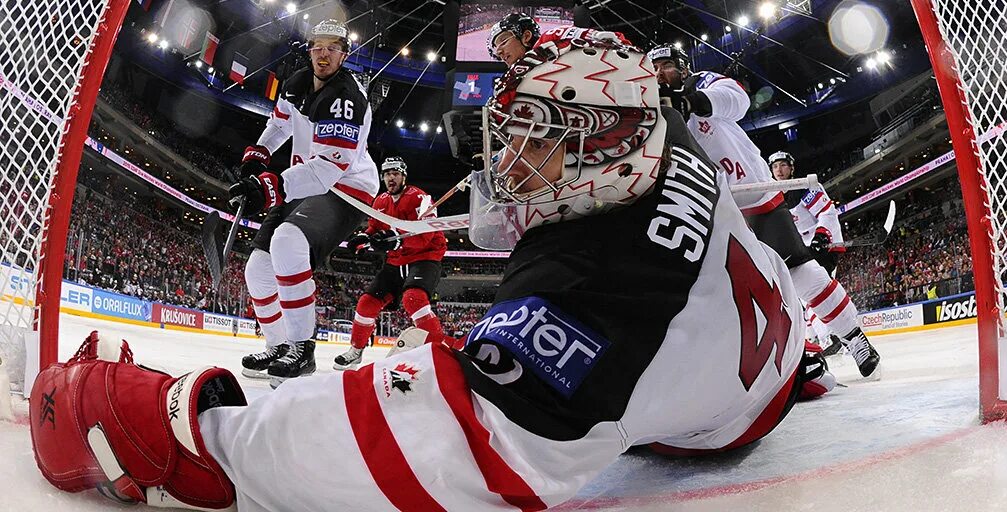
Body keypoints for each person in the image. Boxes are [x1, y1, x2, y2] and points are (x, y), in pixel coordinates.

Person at [31, 34, 816, 511]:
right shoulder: (654, 126)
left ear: (600, 152)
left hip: (719, 421)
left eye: (534, 141)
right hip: (765, 349)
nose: (506, 161)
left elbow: (450, 447)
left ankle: (288, 357)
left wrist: (201, 433)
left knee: (440, 345)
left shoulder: (599, 290)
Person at [648, 43, 880, 378]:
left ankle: (854, 338)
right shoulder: (649, 110)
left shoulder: (702, 82)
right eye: (653, 68)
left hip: (755, 197)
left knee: (803, 275)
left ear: (683, 68)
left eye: (666, 65)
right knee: (727, 295)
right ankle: (790, 361)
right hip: (710, 211)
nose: (658, 73)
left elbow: (738, 100)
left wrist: (693, 103)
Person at [232, 18, 378, 387]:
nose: (324, 53)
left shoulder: (347, 97)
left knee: (288, 242)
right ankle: (279, 345)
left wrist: (272, 187)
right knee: (258, 271)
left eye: (333, 47)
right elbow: (280, 123)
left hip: (346, 187)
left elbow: (330, 168)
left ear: (344, 55)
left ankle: (302, 349)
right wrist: (259, 154)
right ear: (309, 49)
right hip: (305, 180)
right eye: (318, 46)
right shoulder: (296, 82)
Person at [333, 156, 448, 370]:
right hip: (396, 261)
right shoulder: (380, 201)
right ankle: (356, 351)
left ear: (404, 176)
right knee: (366, 303)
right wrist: (365, 238)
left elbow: (426, 236)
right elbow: (375, 229)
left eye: (395, 173)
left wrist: (392, 240)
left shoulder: (421, 198)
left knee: (414, 298)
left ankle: (439, 351)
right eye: (387, 174)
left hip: (425, 257)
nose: (390, 178)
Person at [770, 151, 846, 356]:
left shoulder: (804, 187)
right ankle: (817, 336)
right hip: (802, 250)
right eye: (775, 166)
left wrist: (821, 236)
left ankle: (831, 337)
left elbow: (827, 212)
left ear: (791, 168)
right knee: (803, 298)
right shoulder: (773, 195)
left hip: (822, 247)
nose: (779, 170)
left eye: (783, 165)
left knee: (814, 293)